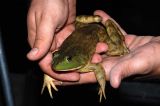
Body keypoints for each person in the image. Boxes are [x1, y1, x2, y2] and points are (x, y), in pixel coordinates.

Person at [27, 0, 160, 89]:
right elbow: (51, 62)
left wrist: (102, 86)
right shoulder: (59, 58)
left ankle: (108, 27)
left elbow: (98, 68)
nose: (55, 63)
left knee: (116, 49)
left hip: (97, 32)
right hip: (79, 30)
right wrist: (48, 77)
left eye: (68, 59)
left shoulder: (85, 63)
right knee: (57, 58)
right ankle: (98, 21)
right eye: (56, 57)